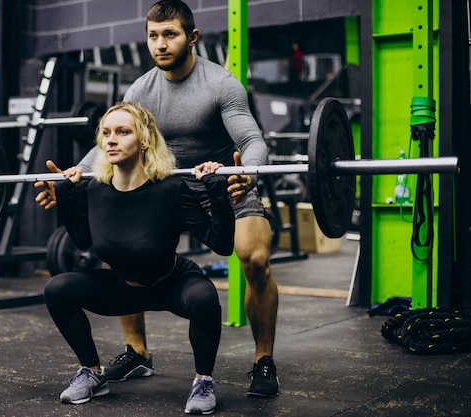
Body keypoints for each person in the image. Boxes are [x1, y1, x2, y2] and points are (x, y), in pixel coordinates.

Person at [36, 0, 280, 399]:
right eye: (153, 36)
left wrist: (244, 174)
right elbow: (109, 145)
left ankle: (263, 359)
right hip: (163, 187)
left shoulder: (221, 84)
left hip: (220, 184)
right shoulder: (141, 89)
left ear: (192, 37)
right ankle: (137, 352)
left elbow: (252, 140)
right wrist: (72, 177)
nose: (161, 44)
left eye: (170, 34)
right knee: (123, 247)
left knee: (253, 257)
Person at [40, 101, 235, 414]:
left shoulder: (171, 189)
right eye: (105, 133)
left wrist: (217, 193)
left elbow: (221, 245)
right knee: (57, 288)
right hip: (123, 288)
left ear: (144, 140)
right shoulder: (96, 190)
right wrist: (66, 196)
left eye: (122, 132)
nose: (111, 140)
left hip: (171, 283)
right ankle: (92, 372)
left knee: (204, 296)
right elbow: (82, 240)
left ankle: (203, 381)